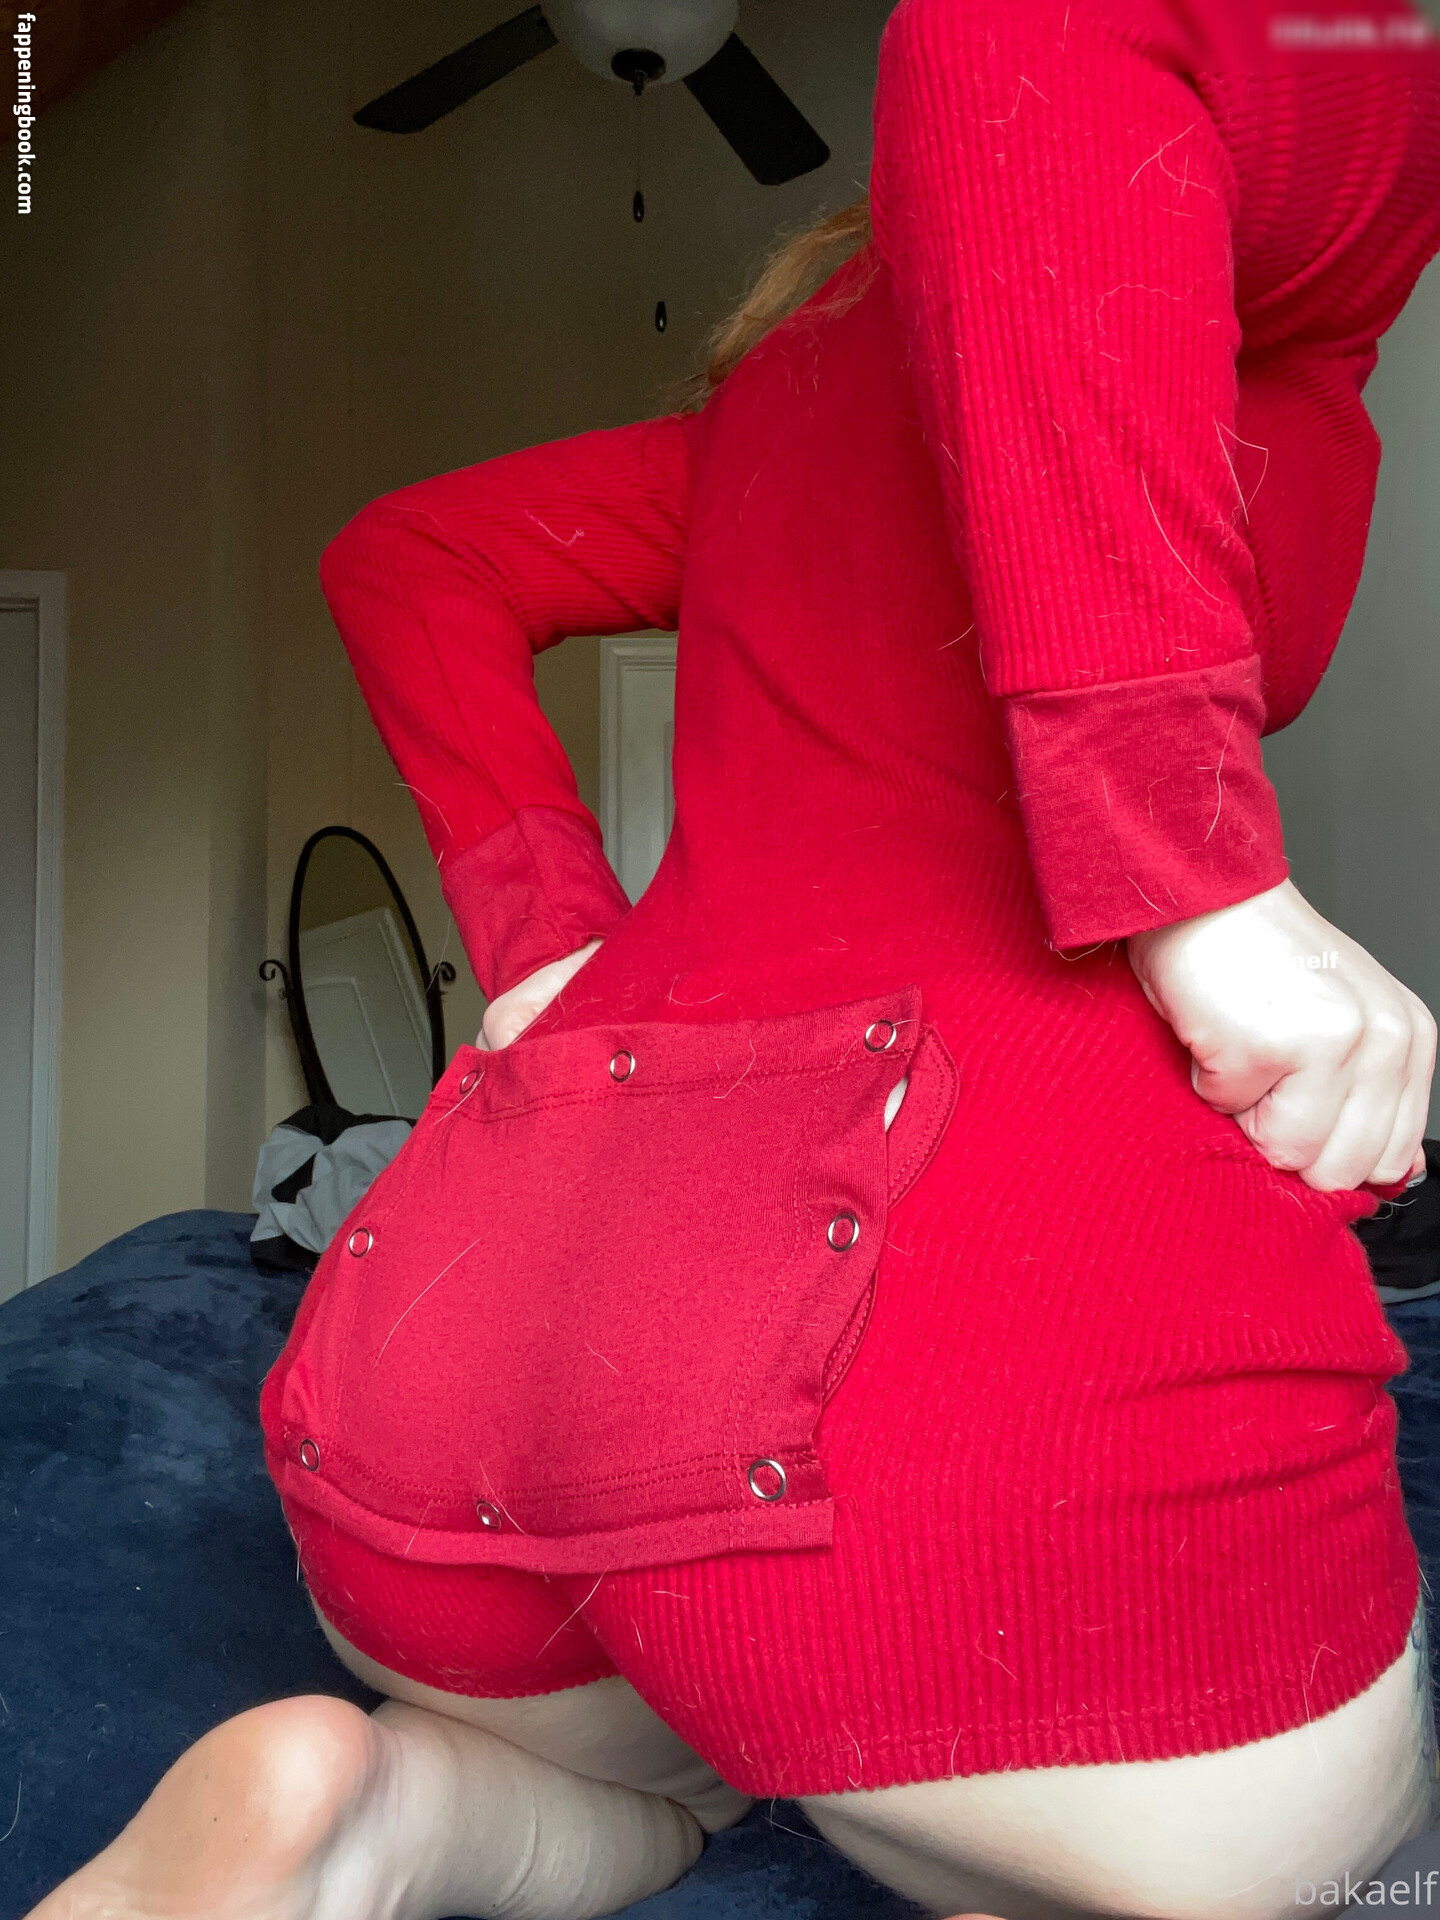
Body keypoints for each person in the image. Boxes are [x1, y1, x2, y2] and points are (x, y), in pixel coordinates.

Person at [29, 0, 1440, 1916]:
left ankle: (384, 1816)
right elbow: (1036, 26)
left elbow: (413, 560)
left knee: (689, 1745)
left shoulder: (773, 407)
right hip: (952, 1397)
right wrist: (1192, 874)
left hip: (453, 1374)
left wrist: (547, 948)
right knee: (1327, 1834)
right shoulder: (1320, 161)